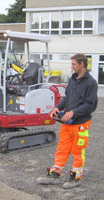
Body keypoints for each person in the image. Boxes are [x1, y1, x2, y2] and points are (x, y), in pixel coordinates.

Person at [37, 54, 98, 189]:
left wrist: (73, 112)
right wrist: (57, 107)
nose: (71, 67)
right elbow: (66, 97)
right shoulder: (73, 79)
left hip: (81, 123)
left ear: (82, 64)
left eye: (73, 64)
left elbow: (90, 105)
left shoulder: (91, 83)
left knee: (78, 150)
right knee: (62, 148)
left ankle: (76, 177)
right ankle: (54, 174)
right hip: (67, 123)